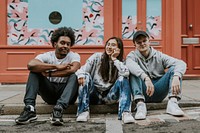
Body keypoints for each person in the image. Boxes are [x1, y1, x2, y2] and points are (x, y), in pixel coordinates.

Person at [15, 27, 81, 126]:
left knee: (74, 76)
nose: (66, 46)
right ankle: (30, 109)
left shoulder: (74, 56)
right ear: (55, 44)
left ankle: (58, 109)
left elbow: (72, 69)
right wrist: (56, 66)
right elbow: (31, 65)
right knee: (34, 72)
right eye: (62, 43)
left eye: (68, 44)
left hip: (67, 94)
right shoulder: (47, 56)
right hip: (49, 92)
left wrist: (49, 73)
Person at [126, 30, 187, 120]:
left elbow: (181, 63)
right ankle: (140, 105)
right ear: (135, 45)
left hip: (159, 91)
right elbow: (129, 64)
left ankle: (173, 103)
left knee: (175, 69)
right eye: (139, 42)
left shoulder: (159, 55)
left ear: (149, 41)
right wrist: (146, 78)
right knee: (132, 71)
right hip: (143, 92)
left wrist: (176, 76)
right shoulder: (132, 56)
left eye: (144, 41)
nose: (142, 44)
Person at [75, 37, 134, 124]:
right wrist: (81, 76)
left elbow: (126, 73)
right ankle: (83, 112)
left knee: (123, 78)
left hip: (109, 96)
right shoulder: (97, 57)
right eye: (108, 44)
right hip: (94, 94)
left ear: (119, 49)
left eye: (113, 45)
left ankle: (125, 113)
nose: (109, 47)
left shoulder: (121, 62)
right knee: (85, 76)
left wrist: (114, 59)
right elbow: (82, 70)